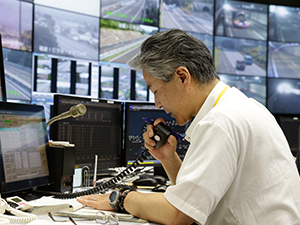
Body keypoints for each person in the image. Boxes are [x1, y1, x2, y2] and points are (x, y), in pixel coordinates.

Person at [77, 29, 300, 225]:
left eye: (155, 90)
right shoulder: (242, 106)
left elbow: (177, 215)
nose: (157, 103)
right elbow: (196, 197)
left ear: (182, 77)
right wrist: (168, 158)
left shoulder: (219, 122)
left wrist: (121, 197)